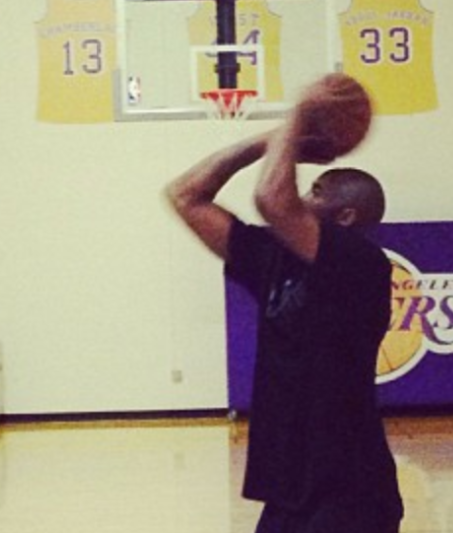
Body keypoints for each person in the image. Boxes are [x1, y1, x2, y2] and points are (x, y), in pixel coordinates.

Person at [165, 92, 404, 533]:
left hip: (351, 491)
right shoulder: (274, 258)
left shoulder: (362, 263)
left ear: (346, 216)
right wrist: (267, 140)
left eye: (318, 191)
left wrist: (297, 120)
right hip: (291, 489)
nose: (305, 196)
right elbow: (186, 196)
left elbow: (272, 199)